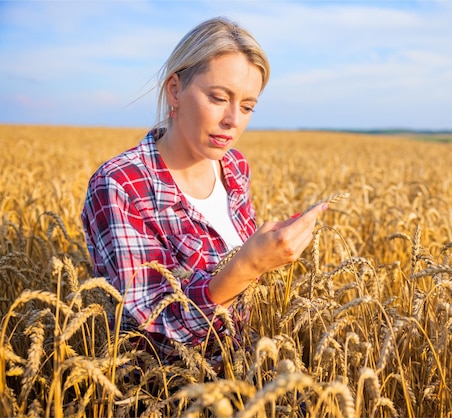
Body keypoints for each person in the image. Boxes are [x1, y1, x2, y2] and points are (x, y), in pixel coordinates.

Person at [81, 17, 328, 365]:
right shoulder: (121, 184)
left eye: (247, 107)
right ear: (174, 90)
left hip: (247, 370)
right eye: (218, 98)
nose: (232, 120)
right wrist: (249, 263)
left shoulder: (235, 168)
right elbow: (153, 332)